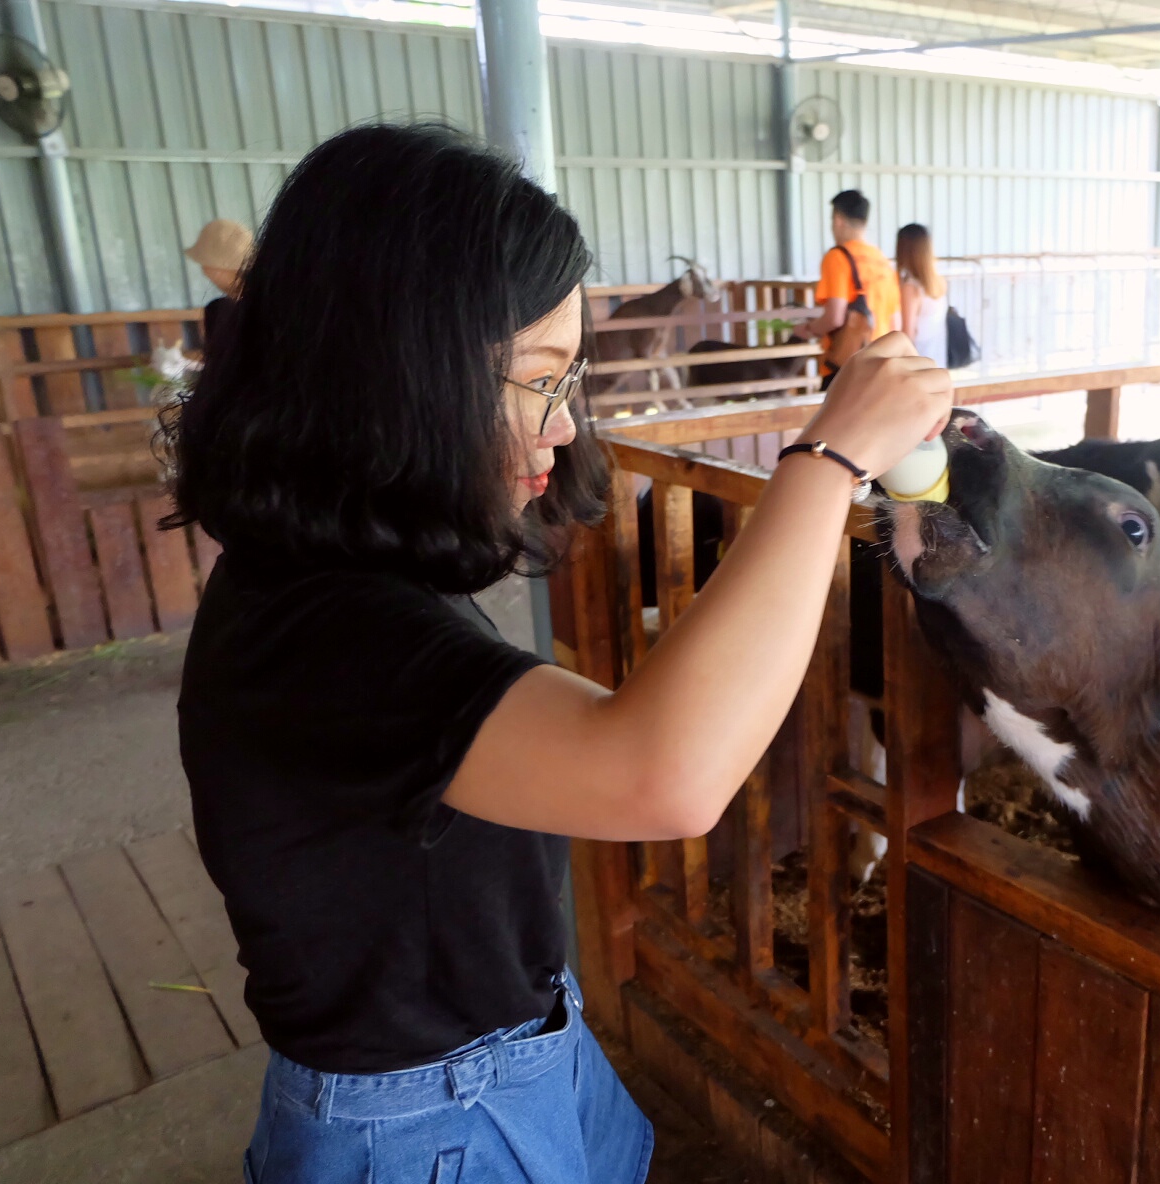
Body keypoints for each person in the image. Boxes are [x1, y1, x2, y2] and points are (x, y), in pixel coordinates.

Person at [164, 124, 951, 1184]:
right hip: (421, 1124)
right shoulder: (324, 627)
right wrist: (824, 462)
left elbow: (583, 739)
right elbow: (665, 775)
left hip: (509, 1051)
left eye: (568, 375)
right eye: (536, 378)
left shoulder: (322, 578)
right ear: (396, 369)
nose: (561, 425)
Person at [793, 190, 901, 389]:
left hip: (847, 367)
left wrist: (807, 329)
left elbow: (835, 317)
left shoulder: (838, 257)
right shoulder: (883, 262)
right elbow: (894, 323)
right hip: (881, 365)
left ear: (838, 220)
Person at [183, 218, 253, 345]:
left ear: (218, 269)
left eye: (204, 263)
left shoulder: (224, 310)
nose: (204, 271)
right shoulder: (267, 297)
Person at [896, 223, 949, 367]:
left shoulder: (911, 288)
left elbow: (908, 334)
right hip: (937, 360)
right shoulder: (938, 283)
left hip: (918, 363)